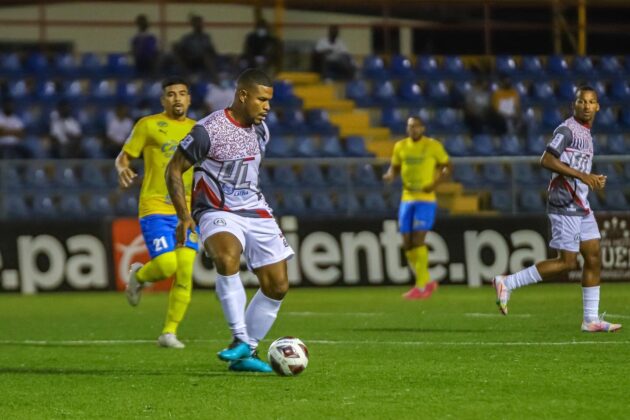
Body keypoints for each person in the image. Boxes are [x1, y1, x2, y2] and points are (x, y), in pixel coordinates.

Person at [165, 68, 294, 372]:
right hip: (216, 209)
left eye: (269, 101)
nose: (267, 107)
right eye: (262, 100)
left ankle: (247, 353)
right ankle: (239, 337)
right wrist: (184, 216)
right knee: (227, 257)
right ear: (243, 96)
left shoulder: (261, 130)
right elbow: (173, 169)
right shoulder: (208, 130)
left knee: (278, 285)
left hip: (254, 208)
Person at [493, 86, 622, 333]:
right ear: (574, 105)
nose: (586, 106)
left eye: (591, 102)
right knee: (566, 262)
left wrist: (590, 178)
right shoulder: (567, 130)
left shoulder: (587, 134)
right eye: (582, 101)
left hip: (580, 203)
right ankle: (507, 282)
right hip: (564, 202)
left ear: (598, 107)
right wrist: (583, 176)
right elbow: (546, 159)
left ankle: (590, 319)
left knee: (593, 256)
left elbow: (576, 166)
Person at [115, 76, 199, 348]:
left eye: (182, 93)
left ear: (189, 99)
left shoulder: (198, 130)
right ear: (163, 100)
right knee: (166, 265)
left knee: (184, 271)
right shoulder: (148, 125)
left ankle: (169, 333)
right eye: (171, 94)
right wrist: (122, 168)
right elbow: (124, 156)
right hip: (155, 206)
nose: (177, 98)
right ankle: (138, 277)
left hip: (186, 211)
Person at [383, 116, 451, 300]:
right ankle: (427, 281)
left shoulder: (432, 146)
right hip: (407, 198)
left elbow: (447, 167)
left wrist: (435, 184)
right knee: (407, 243)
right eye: (410, 126)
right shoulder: (400, 146)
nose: (413, 129)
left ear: (423, 128)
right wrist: (390, 175)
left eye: (416, 126)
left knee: (418, 239)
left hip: (425, 199)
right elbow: (395, 167)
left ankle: (420, 286)